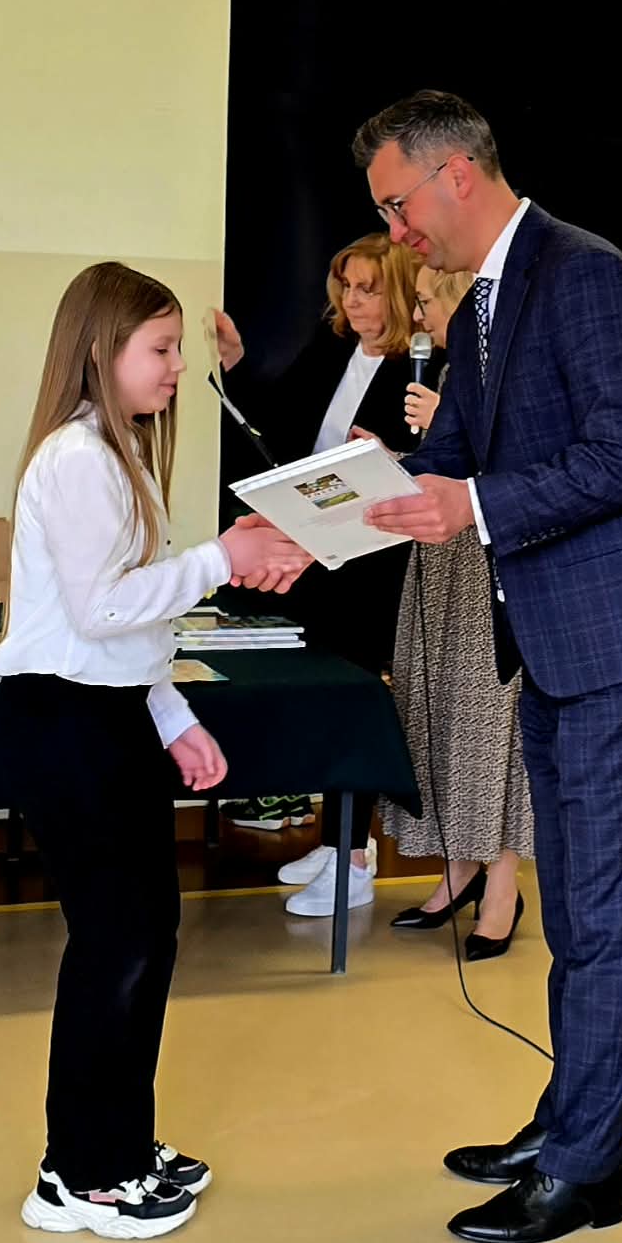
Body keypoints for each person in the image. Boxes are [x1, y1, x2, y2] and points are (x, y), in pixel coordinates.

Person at [359, 89, 622, 1243]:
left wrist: (470, 503)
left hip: (621, 644)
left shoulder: (587, 277)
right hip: (556, 648)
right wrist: (355, 494)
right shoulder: (482, 303)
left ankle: (585, 1170)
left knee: (604, 915)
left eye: (398, 205)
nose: (396, 231)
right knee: (578, 913)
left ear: (455, 174)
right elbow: (453, 458)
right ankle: (569, 1122)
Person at [0, 262, 309, 1241]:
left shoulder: (118, 453)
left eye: (176, 348)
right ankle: (81, 1174)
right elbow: (101, 609)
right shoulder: (77, 459)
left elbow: (127, 625)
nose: (177, 366)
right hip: (64, 723)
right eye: (160, 349)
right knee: (114, 941)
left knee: (146, 933)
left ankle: (118, 1138)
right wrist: (222, 558)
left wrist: (171, 717)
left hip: (107, 715)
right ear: (102, 349)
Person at [212, 233, 433, 913]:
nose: (354, 301)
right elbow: (279, 420)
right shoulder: (334, 347)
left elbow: (430, 462)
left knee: (354, 697)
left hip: (374, 562)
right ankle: (338, 840)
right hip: (317, 548)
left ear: (401, 292)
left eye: (369, 288)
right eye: (347, 287)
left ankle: (354, 856)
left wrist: (392, 458)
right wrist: (236, 363)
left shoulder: (422, 364)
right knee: (319, 693)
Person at [382, 264, 533, 960]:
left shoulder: (513, 362)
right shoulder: (449, 368)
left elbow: (523, 464)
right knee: (437, 714)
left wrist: (445, 422)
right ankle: (459, 868)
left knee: (489, 725)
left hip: (489, 566)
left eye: (424, 301)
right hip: (441, 560)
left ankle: (502, 885)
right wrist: (391, 457)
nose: (417, 317)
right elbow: (444, 465)